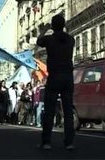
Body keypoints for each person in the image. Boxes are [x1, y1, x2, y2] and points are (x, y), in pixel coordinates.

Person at [36, 14, 75, 151]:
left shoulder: (49, 39)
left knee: (49, 110)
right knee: (68, 110)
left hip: (54, 76)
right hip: (68, 77)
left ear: (53, 26)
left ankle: (46, 142)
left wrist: (45, 29)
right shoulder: (71, 39)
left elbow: (38, 41)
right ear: (63, 25)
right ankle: (69, 142)